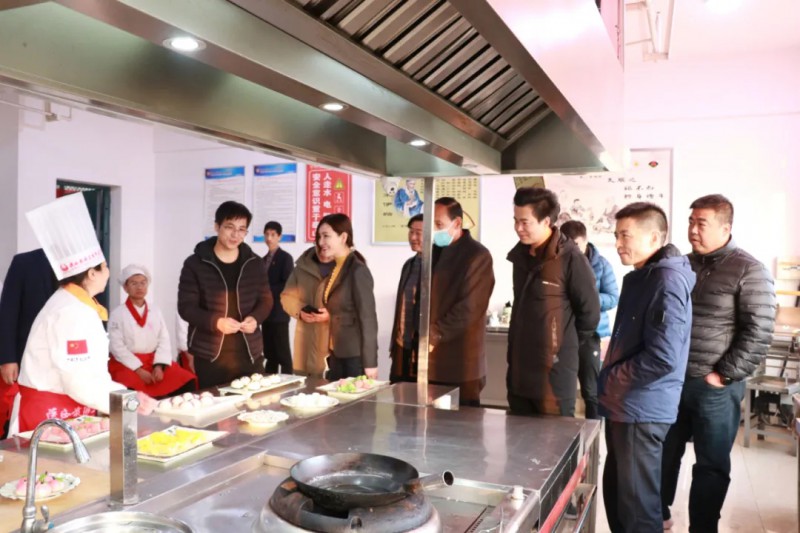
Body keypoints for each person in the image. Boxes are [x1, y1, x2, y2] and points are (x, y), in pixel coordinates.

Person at [661, 194, 776, 532]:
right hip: (673, 381)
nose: (693, 230)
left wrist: (723, 375)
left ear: (726, 228)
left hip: (715, 388)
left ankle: (703, 526)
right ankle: (659, 514)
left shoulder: (749, 269)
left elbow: (759, 330)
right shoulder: (682, 265)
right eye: (690, 222)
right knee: (664, 453)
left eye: (702, 223)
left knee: (711, 465)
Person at [17, 193, 155, 431]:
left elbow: (90, 374)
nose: (108, 273)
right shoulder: (71, 312)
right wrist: (127, 400)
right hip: (52, 415)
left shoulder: (76, 304)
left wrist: (122, 395)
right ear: (91, 274)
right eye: (105, 267)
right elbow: (78, 381)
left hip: (70, 409)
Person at [598, 202, 695, 533]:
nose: (618, 243)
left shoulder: (666, 281)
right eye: (616, 235)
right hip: (628, 404)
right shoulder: (645, 276)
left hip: (641, 408)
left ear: (654, 237)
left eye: (625, 235)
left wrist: (613, 378)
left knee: (637, 509)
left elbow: (663, 357)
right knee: (620, 497)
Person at [506, 188, 599, 417]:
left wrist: (561, 345)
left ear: (546, 221)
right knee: (518, 437)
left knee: (554, 438)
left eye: (525, 222)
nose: (518, 228)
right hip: (520, 373)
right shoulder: (520, 256)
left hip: (554, 377)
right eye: (515, 221)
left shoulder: (571, 259)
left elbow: (590, 314)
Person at [178, 201, 272, 389]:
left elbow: (266, 300)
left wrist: (255, 318)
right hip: (211, 356)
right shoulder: (195, 264)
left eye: (241, 229)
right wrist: (217, 322)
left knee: (254, 404)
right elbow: (186, 308)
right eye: (229, 227)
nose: (235, 235)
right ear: (217, 226)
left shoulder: (254, 263)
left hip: (249, 353)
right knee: (215, 404)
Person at [428, 197, 494, 406]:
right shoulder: (432, 253)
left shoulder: (477, 255)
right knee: (429, 420)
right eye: (430, 224)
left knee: (463, 421)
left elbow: (470, 307)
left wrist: (435, 333)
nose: (433, 230)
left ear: (457, 223)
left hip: (462, 361)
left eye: (438, 224)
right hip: (432, 359)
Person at [108, 265, 196, 398]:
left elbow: (164, 339)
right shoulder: (117, 314)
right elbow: (117, 347)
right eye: (134, 283)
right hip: (127, 363)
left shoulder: (155, 311)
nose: (139, 287)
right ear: (125, 288)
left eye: (143, 283)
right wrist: (138, 370)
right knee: (130, 392)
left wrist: (159, 366)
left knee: (186, 381)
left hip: (153, 360)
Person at [560, 220, 619, 419]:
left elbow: (613, 298)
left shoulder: (601, 264)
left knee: (591, 390)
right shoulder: (558, 262)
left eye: (576, 245)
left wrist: (587, 298)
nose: (572, 249)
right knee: (561, 389)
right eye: (566, 244)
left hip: (592, 334)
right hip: (563, 332)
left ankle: (593, 435)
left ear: (585, 241)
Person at [311, 213, 378, 380]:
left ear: (343, 237)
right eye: (319, 236)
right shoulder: (335, 268)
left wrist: (370, 363)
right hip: (336, 352)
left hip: (354, 357)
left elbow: (368, 318)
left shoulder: (357, 270)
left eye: (326, 236)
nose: (321, 242)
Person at [0, 249, 57, 438]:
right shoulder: (25, 262)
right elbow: (8, 312)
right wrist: (7, 358)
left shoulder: (83, 265)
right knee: (21, 411)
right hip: (27, 354)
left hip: (65, 356)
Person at [281, 244, 334, 378]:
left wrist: (332, 314)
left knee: (332, 385)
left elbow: (357, 305)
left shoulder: (347, 267)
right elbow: (287, 296)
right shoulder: (302, 267)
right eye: (320, 237)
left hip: (334, 340)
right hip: (306, 337)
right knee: (304, 384)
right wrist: (299, 310)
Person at [389, 214, 423, 383]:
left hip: (423, 347)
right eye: (411, 232)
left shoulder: (439, 266)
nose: (413, 237)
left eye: (419, 233)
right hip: (402, 343)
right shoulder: (409, 265)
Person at [261, 221, 294, 374]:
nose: (269, 238)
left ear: (279, 236)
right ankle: (270, 382)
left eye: (273, 235)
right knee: (269, 354)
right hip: (265, 313)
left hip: (279, 312)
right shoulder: (262, 260)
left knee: (283, 354)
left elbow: (287, 284)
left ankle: (290, 384)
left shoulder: (285, 258)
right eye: (267, 234)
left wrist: (265, 290)